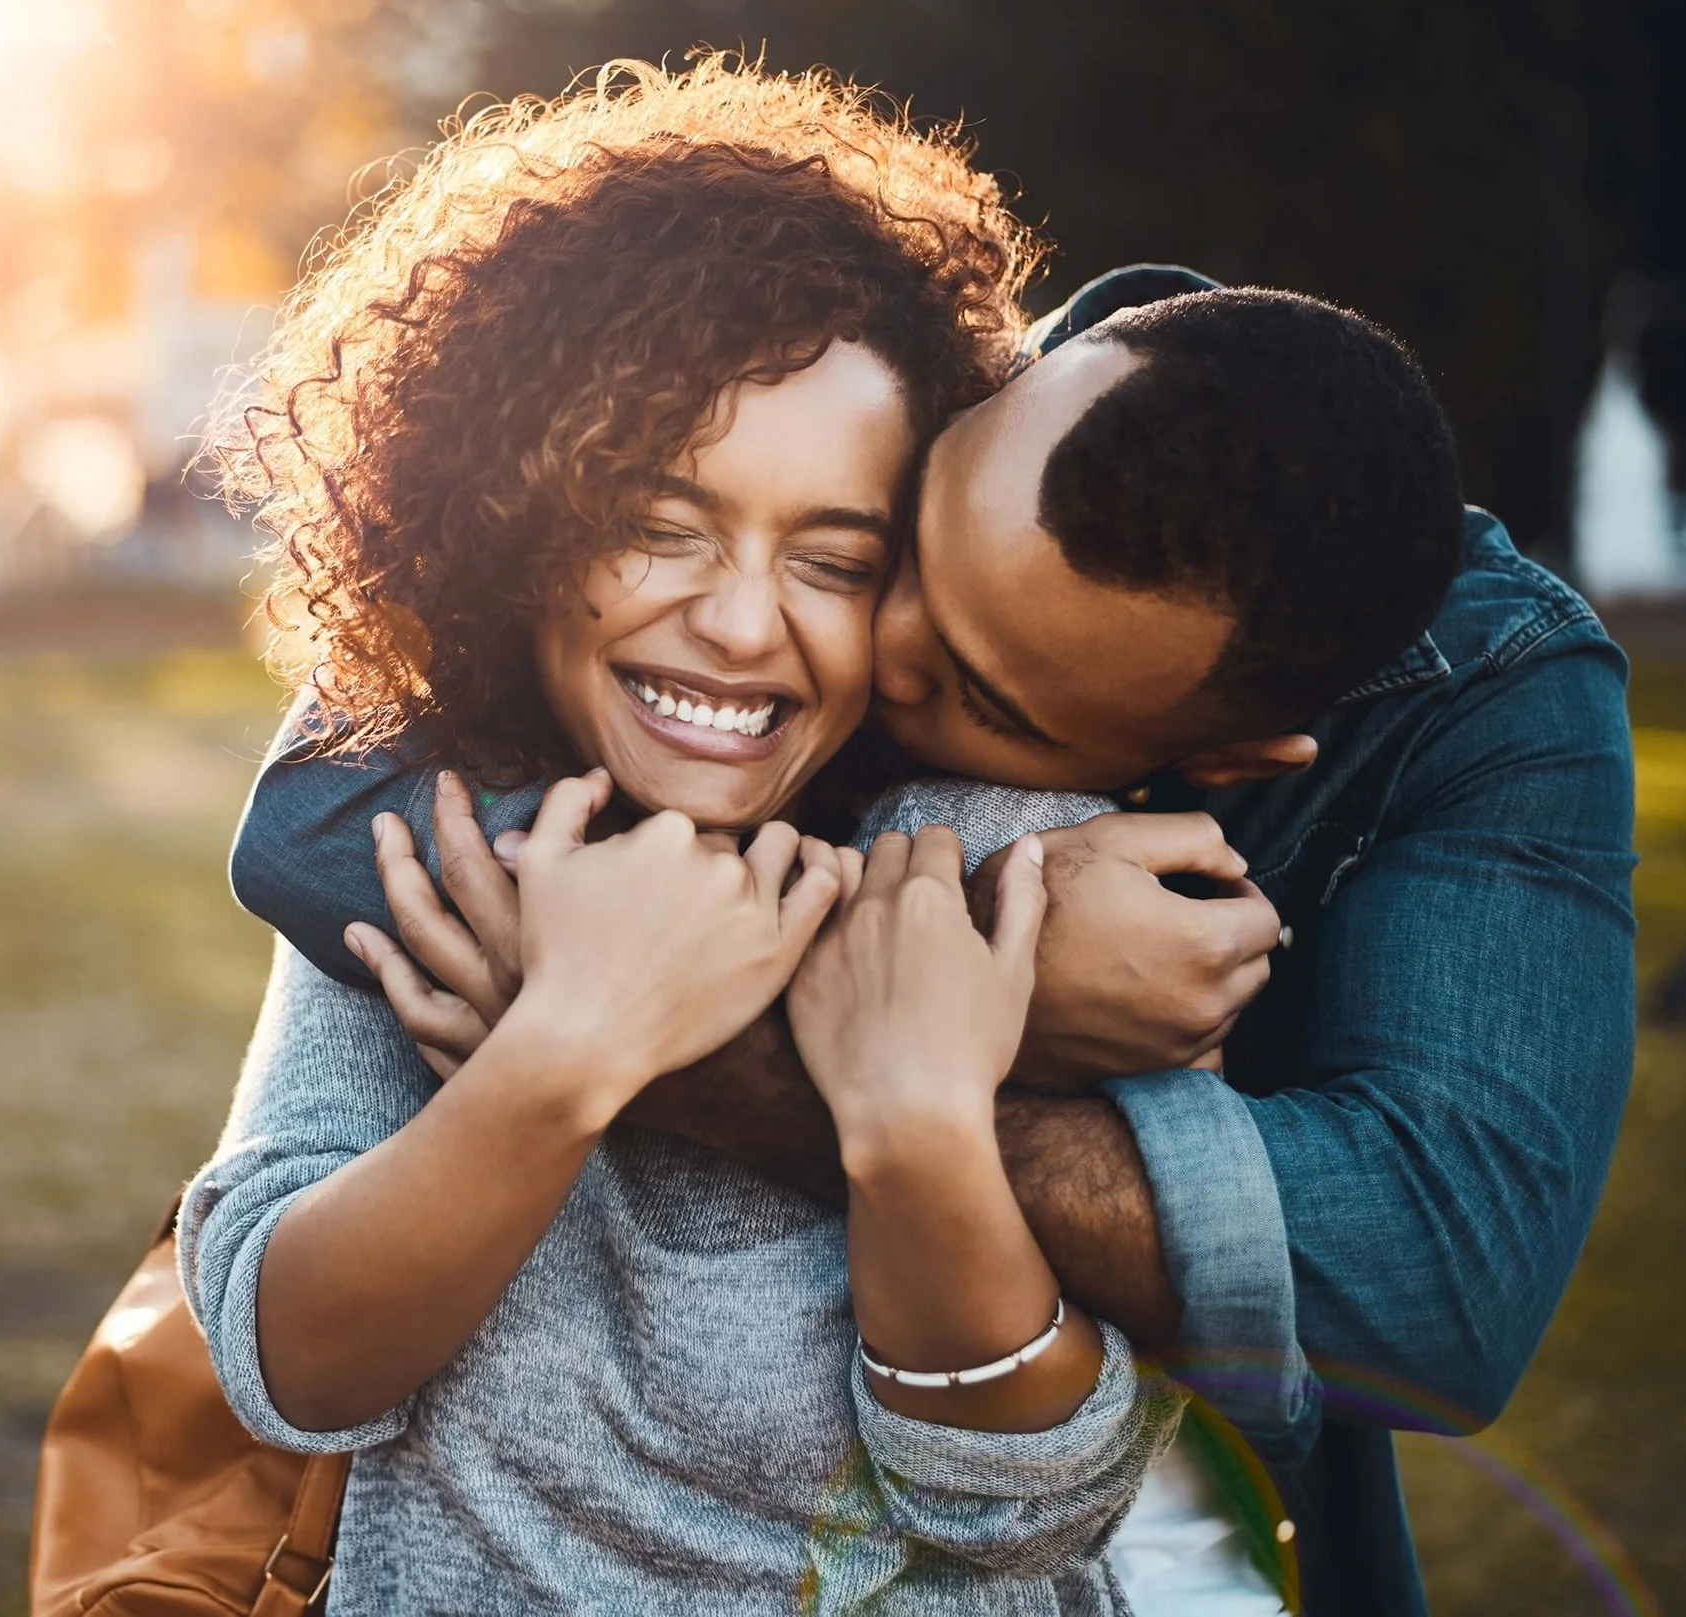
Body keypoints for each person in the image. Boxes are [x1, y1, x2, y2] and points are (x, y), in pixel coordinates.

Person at [236, 261, 1638, 1616]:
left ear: (1220, 762)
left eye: (982, 688)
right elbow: (313, 817)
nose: (869, 646)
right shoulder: (872, 408)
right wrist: (954, 972)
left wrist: (901, 1065)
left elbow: (1427, 1289)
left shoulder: (1430, 721)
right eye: (900, 546)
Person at [181, 59, 1186, 1614]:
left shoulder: (1005, 862)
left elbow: (1027, 1511)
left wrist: (907, 1120)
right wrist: (573, 1043)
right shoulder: (437, 831)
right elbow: (291, 1365)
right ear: (515, 516)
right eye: (658, 526)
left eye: (833, 560)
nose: (734, 627)